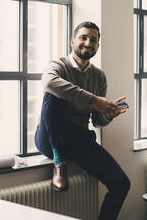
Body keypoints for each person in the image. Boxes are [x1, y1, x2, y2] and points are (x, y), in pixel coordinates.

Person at [35, 21, 130, 220]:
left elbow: (97, 121)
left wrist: (107, 114)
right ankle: (59, 162)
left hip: (78, 139)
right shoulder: (58, 66)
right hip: (51, 137)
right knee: (54, 92)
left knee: (121, 183)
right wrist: (95, 100)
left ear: (97, 46)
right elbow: (48, 82)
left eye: (93, 40)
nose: (88, 43)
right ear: (72, 41)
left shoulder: (99, 77)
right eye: (83, 37)